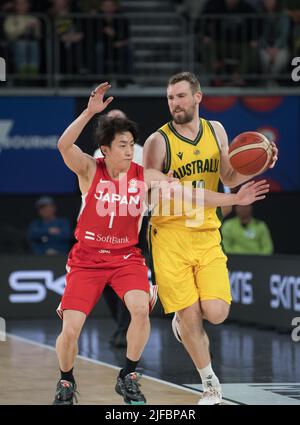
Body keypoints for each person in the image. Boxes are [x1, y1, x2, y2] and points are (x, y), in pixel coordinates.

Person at [53, 81, 269, 406]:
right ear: (106, 149)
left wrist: (234, 197)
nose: (130, 151)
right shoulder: (89, 169)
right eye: (123, 146)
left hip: (126, 256)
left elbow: (191, 192)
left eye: (131, 145)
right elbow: (63, 145)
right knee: (72, 329)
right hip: (87, 257)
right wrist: (89, 112)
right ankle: (66, 380)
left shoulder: (144, 175)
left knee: (143, 311)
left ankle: (128, 374)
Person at [143, 71, 278, 405]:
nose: (174, 103)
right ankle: (210, 385)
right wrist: (161, 181)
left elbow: (230, 174)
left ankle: (183, 324)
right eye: (170, 97)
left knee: (216, 312)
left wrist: (259, 166)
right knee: (191, 316)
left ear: (197, 97)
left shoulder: (216, 130)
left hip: (206, 232)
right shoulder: (158, 141)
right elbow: (146, 181)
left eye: (180, 96)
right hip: (170, 235)